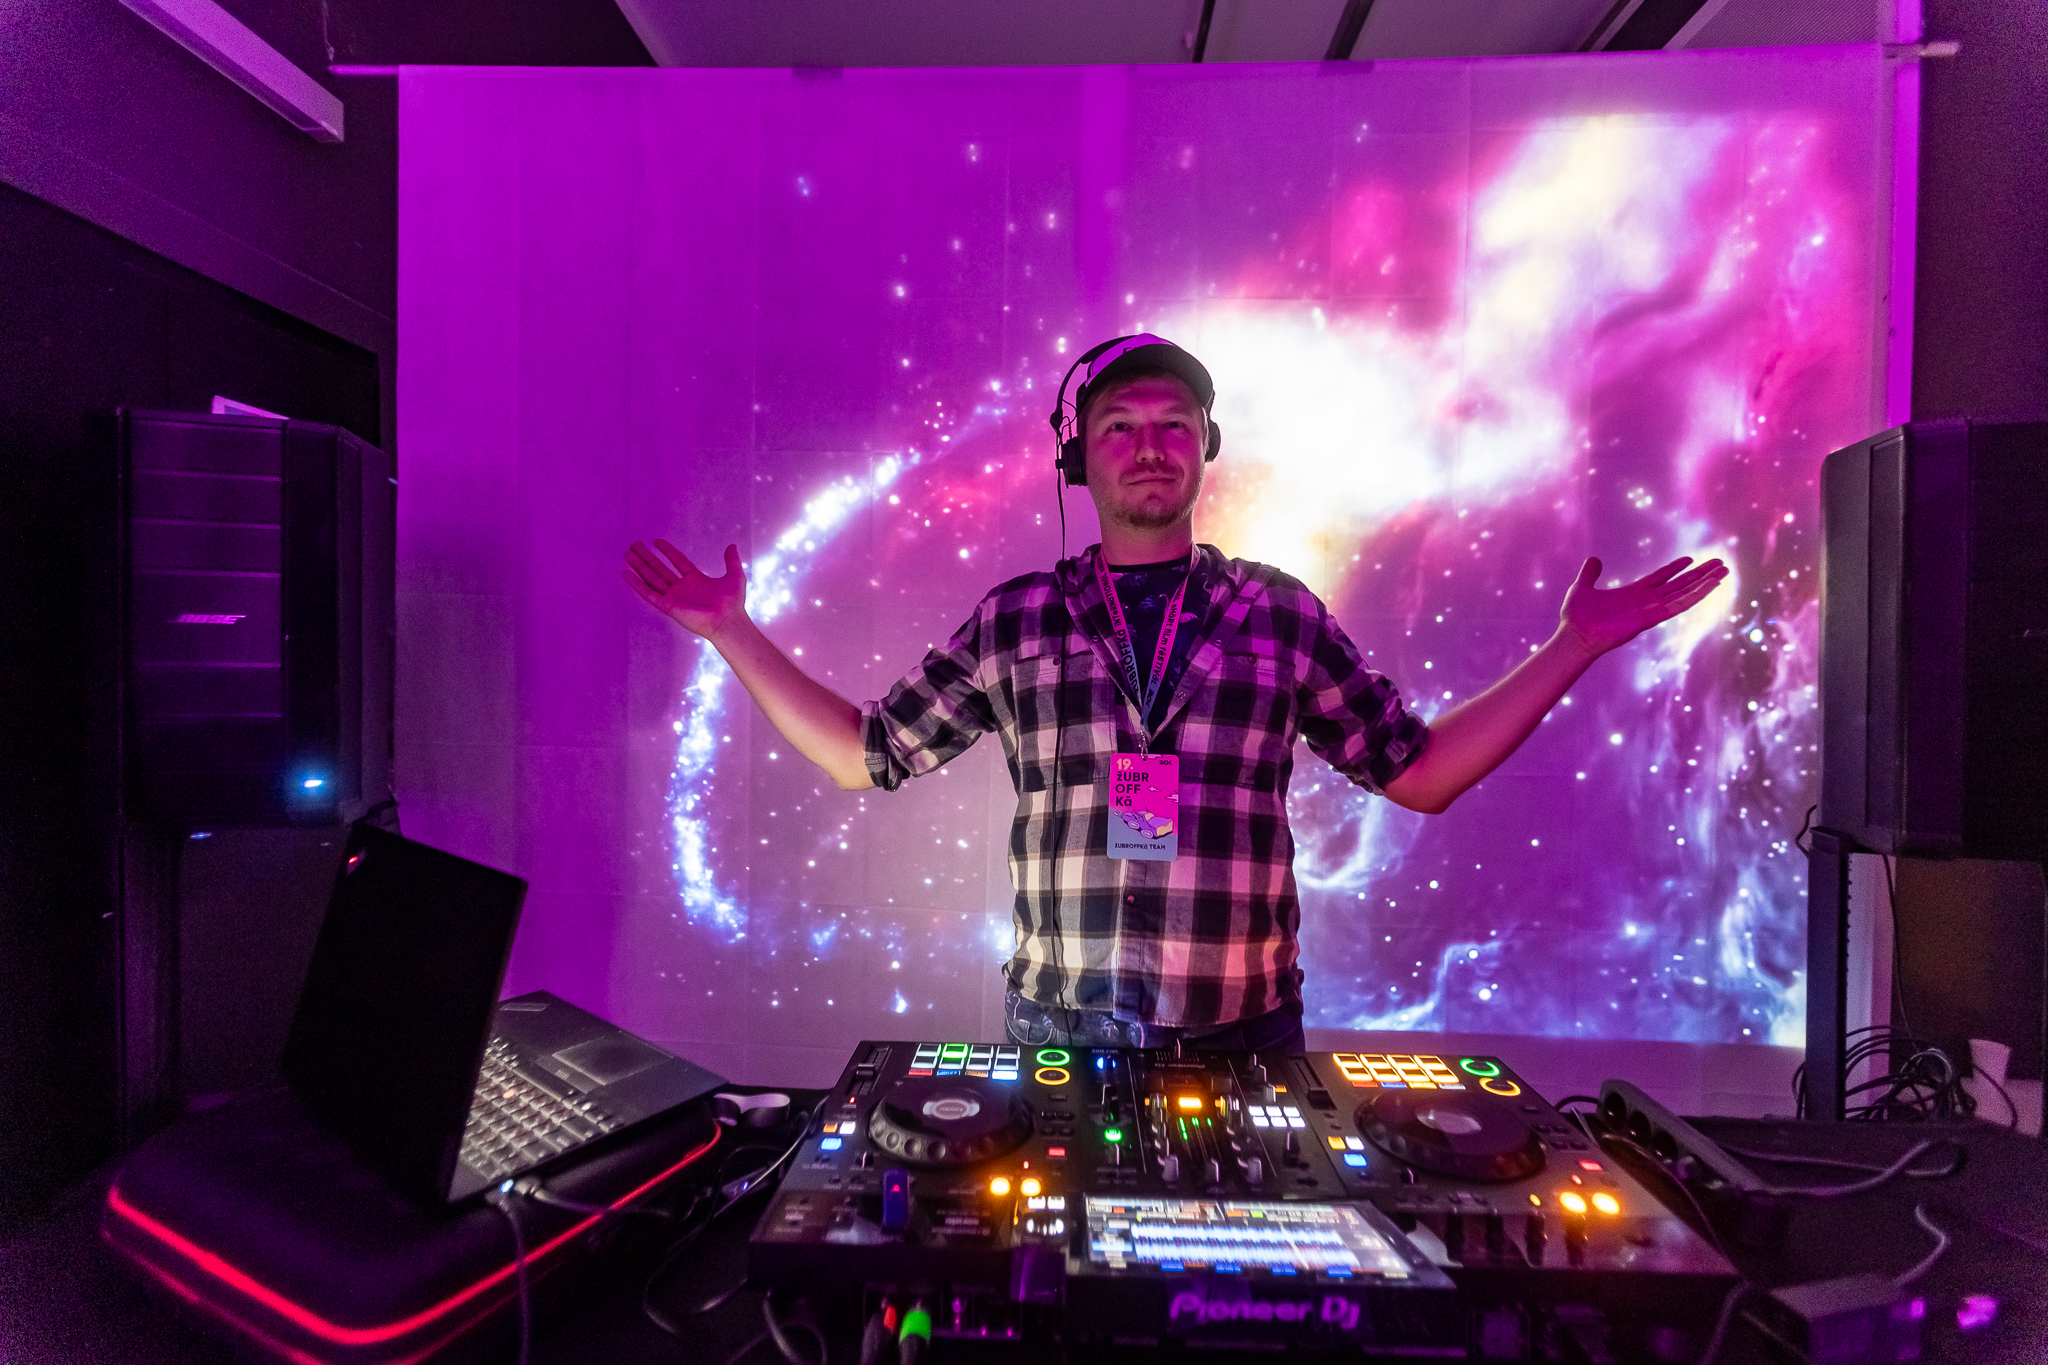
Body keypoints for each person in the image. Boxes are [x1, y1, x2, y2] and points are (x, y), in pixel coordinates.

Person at [624, 334, 1727, 1054]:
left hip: (1244, 1037)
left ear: (1205, 449)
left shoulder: (1279, 611)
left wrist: (1573, 646)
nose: (1148, 447)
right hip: (1058, 1032)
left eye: (1172, 426)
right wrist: (731, 631)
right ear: (1079, 459)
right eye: (1119, 427)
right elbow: (862, 752)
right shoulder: (1016, 618)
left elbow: (1421, 774)